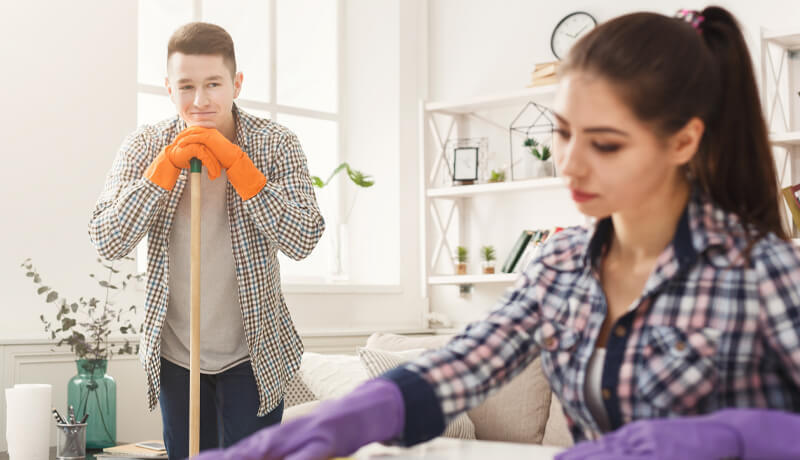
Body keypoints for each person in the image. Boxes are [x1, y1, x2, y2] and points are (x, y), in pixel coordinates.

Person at [196, 6, 800, 460]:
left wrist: (731, 436)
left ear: (684, 141)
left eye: (606, 144)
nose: (570, 164)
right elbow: (460, 368)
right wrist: (344, 419)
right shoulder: (560, 266)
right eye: (563, 132)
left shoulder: (760, 271)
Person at [88, 22, 324, 458]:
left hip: (254, 355)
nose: (199, 101)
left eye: (213, 84)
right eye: (186, 86)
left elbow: (305, 236)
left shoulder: (275, 144)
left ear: (236, 83)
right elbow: (107, 239)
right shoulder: (145, 145)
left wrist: (240, 167)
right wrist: (162, 172)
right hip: (178, 355)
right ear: (168, 88)